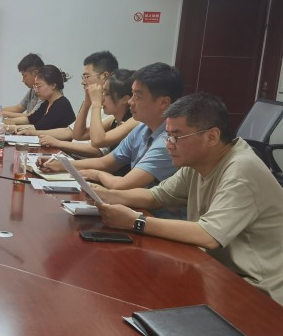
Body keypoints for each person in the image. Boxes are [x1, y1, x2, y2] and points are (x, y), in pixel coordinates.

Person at [93, 93, 283, 304]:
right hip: (218, 271)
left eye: (177, 136)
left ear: (212, 137)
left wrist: (135, 222)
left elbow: (208, 235)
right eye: (167, 136)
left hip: (258, 290)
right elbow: (155, 196)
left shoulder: (241, 170)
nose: (169, 144)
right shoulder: (198, 162)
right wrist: (108, 195)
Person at [38, 62, 183, 190]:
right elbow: (105, 163)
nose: (131, 102)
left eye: (137, 96)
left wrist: (97, 175)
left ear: (163, 103)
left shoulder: (168, 141)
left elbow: (122, 184)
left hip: (146, 209)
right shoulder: (142, 128)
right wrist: (60, 164)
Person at [38, 69, 139, 157]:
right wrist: (87, 102)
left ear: (125, 99)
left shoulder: (133, 121)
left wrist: (96, 104)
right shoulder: (113, 120)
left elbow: (97, 142)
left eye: (106, 93)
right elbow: (78, 135)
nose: (102, 97)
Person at [33, 50, 119, 142]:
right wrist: (87, 103)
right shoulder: (92, 102)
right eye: (83, 77)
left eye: (87, 77)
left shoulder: (112, 108)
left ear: (104, 76)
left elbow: (97, 147)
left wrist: (57, 143)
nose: (83, 82)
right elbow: (74, 133)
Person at [3, 65, 76, 132]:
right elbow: (30, 118)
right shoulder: (47, 102)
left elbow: (39, 127)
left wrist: (7, 127)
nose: (36, 90)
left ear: (53, 85)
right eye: (35, 87)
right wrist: (8, 121)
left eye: (39, 86)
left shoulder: (61, 104)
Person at [0, 53, 44, 120]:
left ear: (35, 73)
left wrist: (1, 113)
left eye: (25, 76)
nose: (23, 80)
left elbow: (31, 116)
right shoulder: (33, 89)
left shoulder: (44, 92)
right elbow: (18, 108)